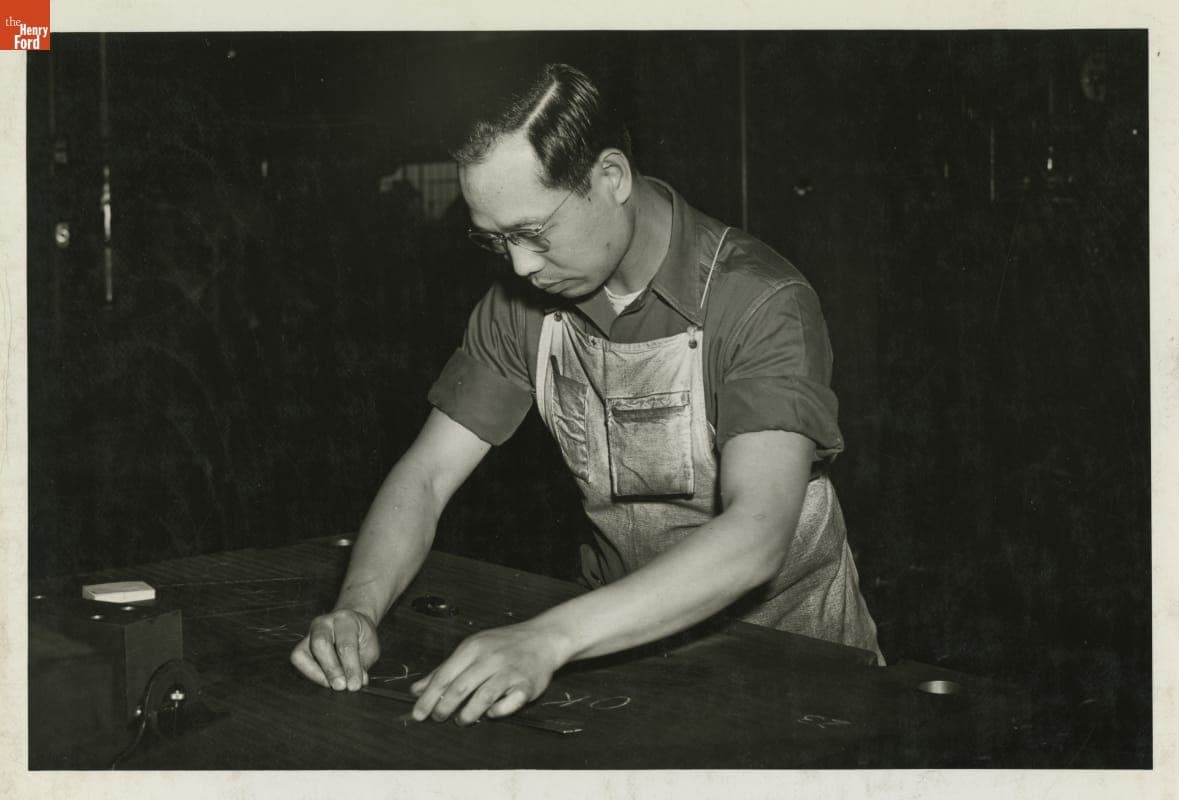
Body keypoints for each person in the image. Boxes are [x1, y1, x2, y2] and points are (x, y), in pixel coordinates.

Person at [290, 62, 882, 726]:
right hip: (616, 651)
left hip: (795, 666)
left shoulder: (759, 300)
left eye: (533, 233)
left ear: (611, 179)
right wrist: (357, 608)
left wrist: (548, 636)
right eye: (496, 241)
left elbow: (756, 533)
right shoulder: (519, 305)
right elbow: (427, 476)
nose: (519, 267)